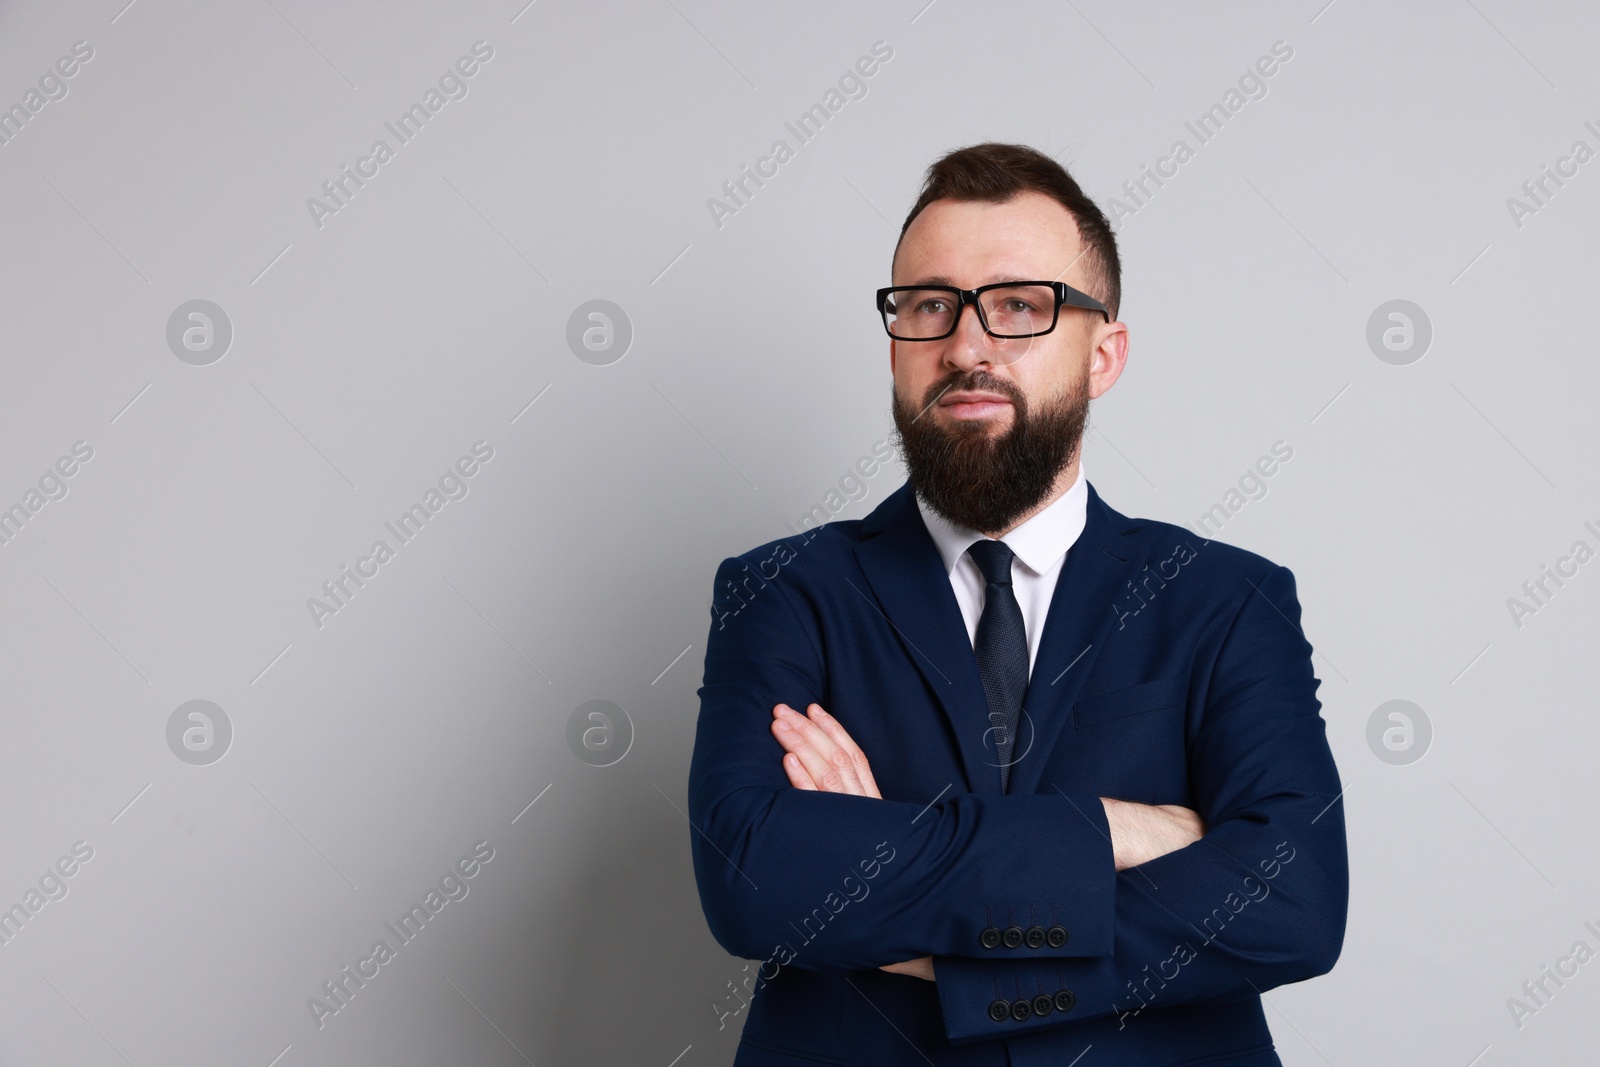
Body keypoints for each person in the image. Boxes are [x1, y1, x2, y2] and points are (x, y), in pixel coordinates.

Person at [687, 142, 1347, 1066]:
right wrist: (1123, 830)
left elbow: (1293, 904)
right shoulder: (782, 592)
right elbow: (754, 881)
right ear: (894, 344)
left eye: (1019, 306)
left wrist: (897, 890)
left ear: (1104, 352)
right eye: (929, 306)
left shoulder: (1229, 600)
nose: (965, 347)